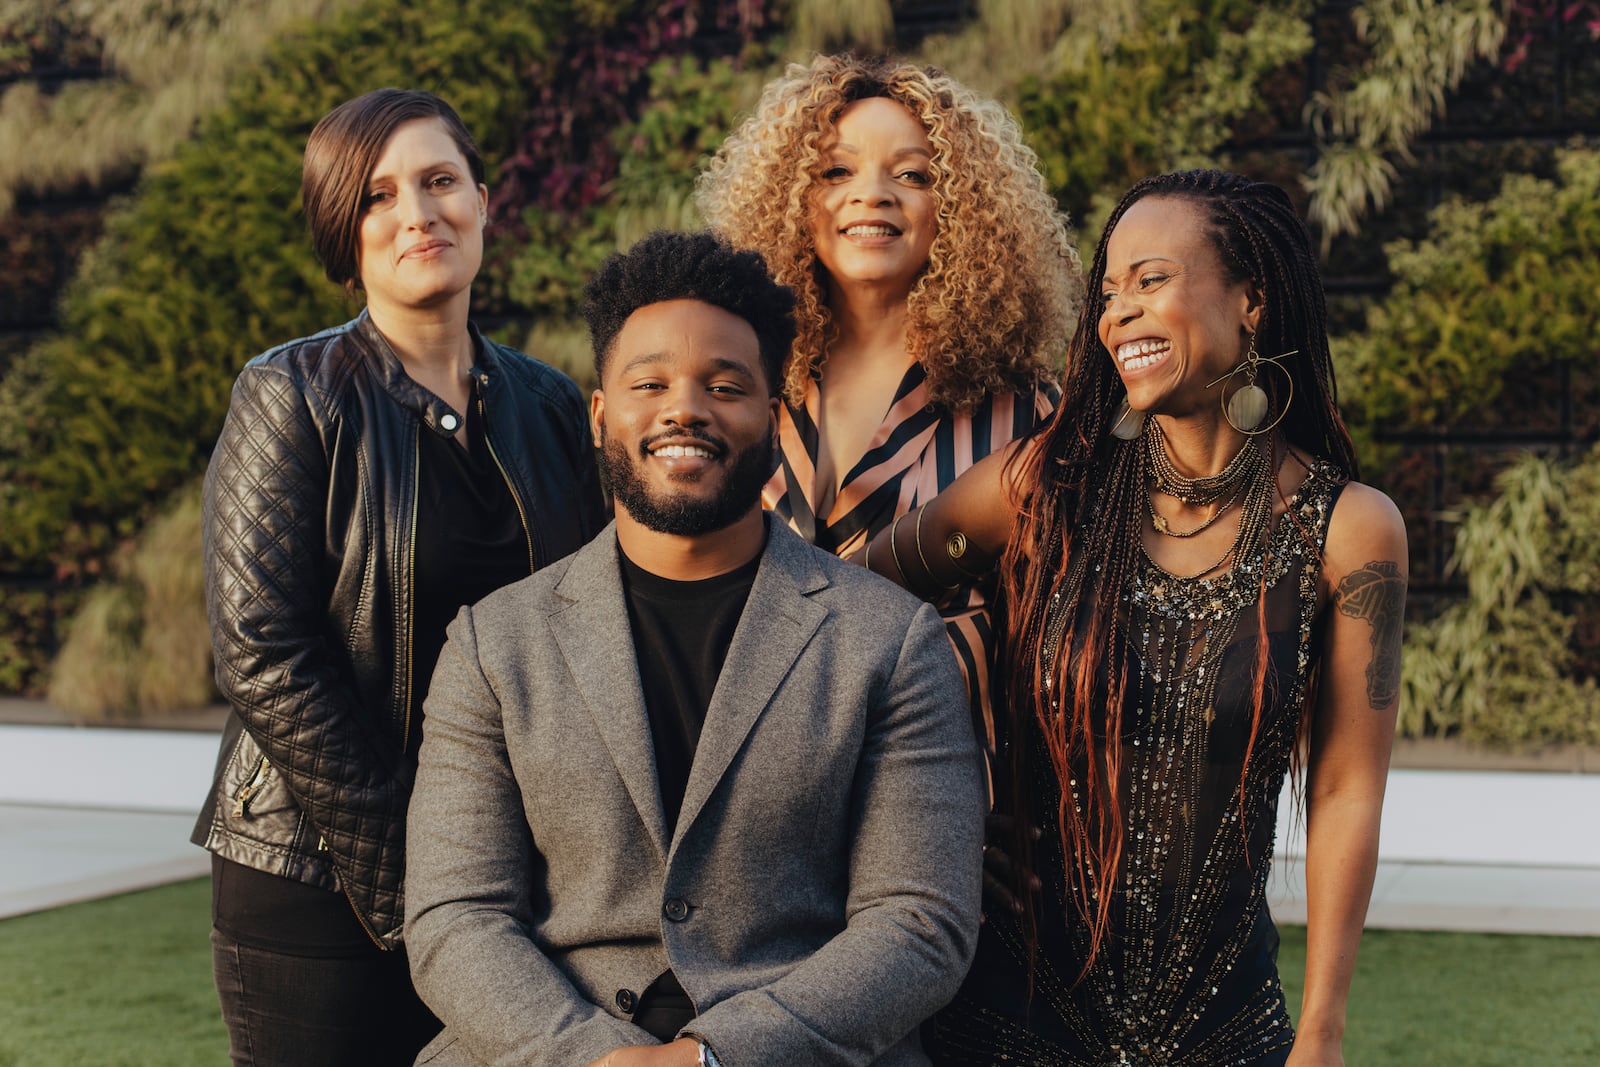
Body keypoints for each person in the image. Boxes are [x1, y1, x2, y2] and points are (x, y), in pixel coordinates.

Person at [860, 170, 1407, 1066]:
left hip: (1225, 1029)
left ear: (1253, 300)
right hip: (1006, 1020)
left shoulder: (1350, 530)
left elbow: (1348, 790)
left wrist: (1322, 1030)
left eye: (1150, 281)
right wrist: (938, 815)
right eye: (1108, 293)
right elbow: (847, 599)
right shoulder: (1040, 489)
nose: (1117, 315)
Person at [403, 230, 985, 1067]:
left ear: (771, 414)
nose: (686, 408)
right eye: (650, 383)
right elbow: (455, 915)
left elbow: (919, 922)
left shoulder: (890, 641)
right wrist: (596, 1058)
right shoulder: (495, 645)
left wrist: (715, 1056)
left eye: (725, 385)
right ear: (602, 414)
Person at [191, 89, 605, 1066]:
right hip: (314, 877)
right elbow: (262, 652)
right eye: (379, 195)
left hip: (506, 881)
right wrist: (417, 870)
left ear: (483, 203)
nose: (417, 212)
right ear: (346, 226)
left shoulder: (547, 405)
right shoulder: (289, 393)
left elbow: (590, 629)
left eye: (438, 180)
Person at [696, 53, 1079, 769]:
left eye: (913, 175)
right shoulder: (736, 389)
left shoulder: (1027, 411)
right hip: (751, 805)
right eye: (837, 171)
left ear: (963, 211)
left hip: (947, 805)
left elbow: (1060, 649)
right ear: (789, 198)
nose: (872, 194)